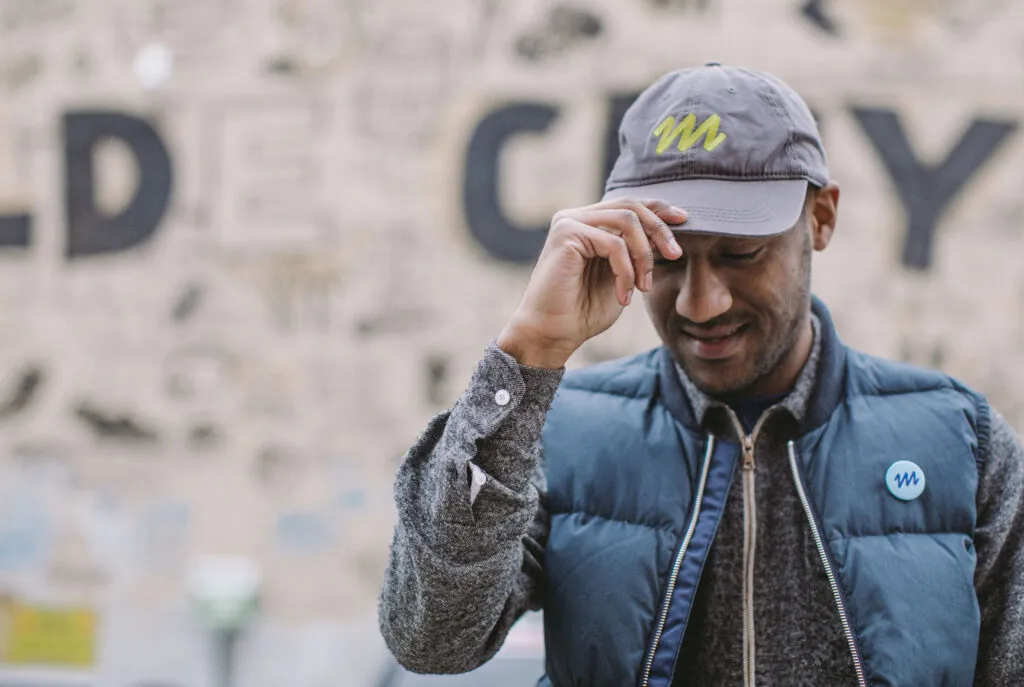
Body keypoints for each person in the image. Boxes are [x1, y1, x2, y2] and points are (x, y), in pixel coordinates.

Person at [377, 64, 1024, 686]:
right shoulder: (565, 431)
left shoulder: (960, 441)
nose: (699, 302)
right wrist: (528, 352)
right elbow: (431, 636)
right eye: (668, 258)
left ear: (821, 217)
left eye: (740, 255)